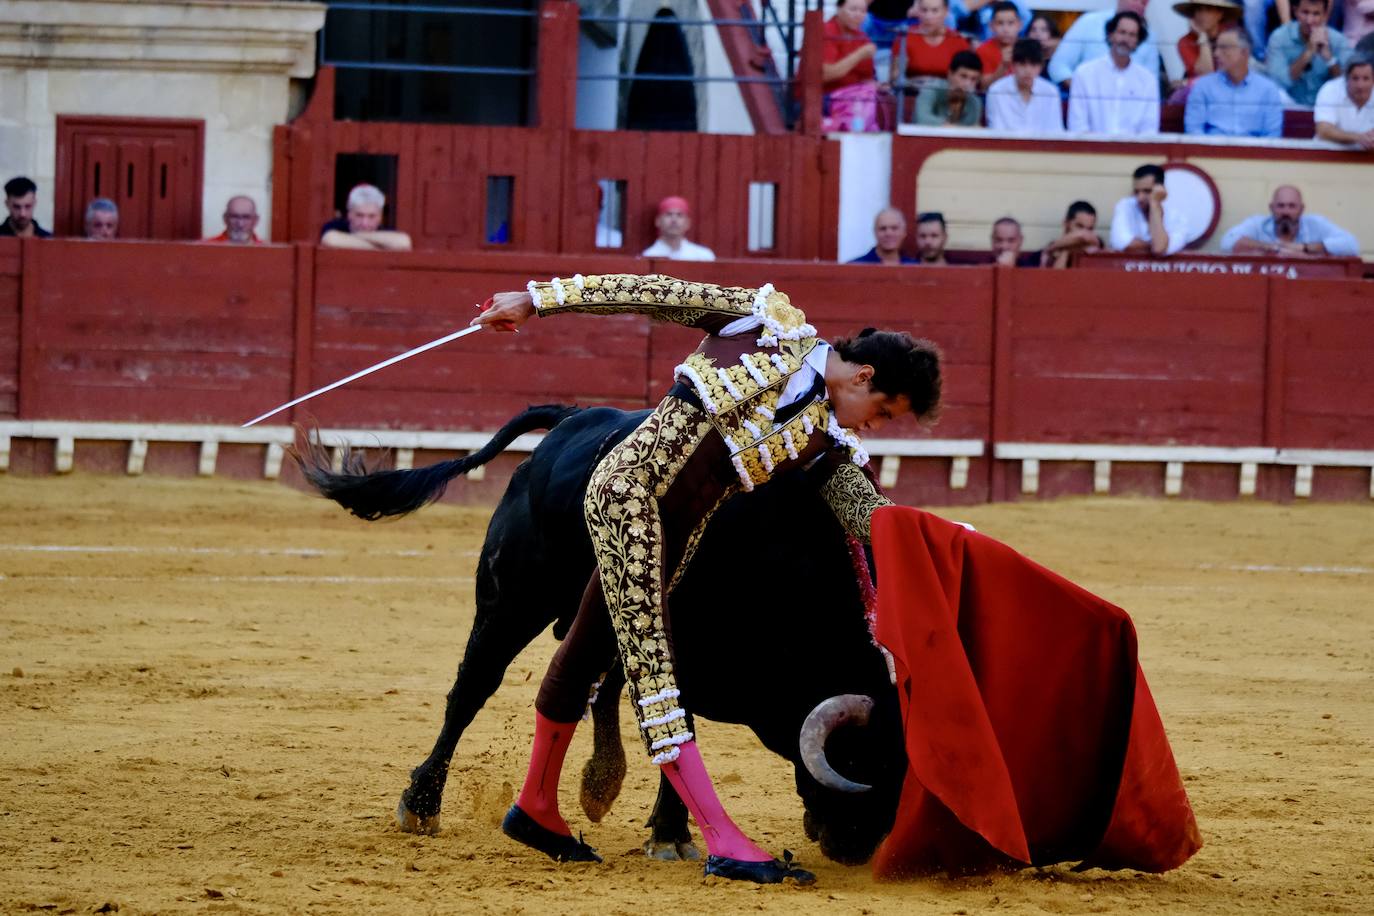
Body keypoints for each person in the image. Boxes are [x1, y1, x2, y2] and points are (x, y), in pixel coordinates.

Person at [469, 274, 943, 885]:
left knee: (585, 652)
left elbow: (872, 519)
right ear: (864, 377)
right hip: (629, 500)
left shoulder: (824, 436)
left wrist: (949, 545)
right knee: (657, 675)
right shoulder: (761, 324)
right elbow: (652, 292)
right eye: (882, 412)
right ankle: (724, 840)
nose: (874, 426)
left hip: (677, 540)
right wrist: (536, 301)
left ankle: (535, 807)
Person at [1067, 12, 1162, 135]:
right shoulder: (1084, 73)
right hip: (1090, 150)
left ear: (1138, 41)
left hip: (1134, 152)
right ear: (1111, 35)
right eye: (1122, 32)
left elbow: (1149, 128)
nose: (1126, 39)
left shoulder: (1147, 80)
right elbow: (1077, 125)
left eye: (1132, 35)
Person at [1185, 29, 1286, 134]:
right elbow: (1193, 130)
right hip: (1212, 148)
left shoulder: (1268, 89)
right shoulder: (1203, 86)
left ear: (1244, 52)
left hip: (1253, 149)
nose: (1216, 54)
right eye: (1216, 48)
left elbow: (1272, 135)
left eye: (1224, 48)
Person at [1049, 0, 1161, 88]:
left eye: (1143, 2)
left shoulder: (1150, 36)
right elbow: (1058, 66)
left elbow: (1151, 82)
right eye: (1135, 0)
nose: (1139, 5)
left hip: (1130, 109)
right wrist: (1083, 91)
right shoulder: (1089, 22)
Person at [1220, 184, 1360, 254]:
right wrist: (1271, 247)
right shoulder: (1257, 224)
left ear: (1302, 209)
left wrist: (1305, 248)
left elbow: (1352, 245)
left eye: (1292, 206)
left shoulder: (1316, 224)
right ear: (1272, 208)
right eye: (1281, 206)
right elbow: (1227, 242)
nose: (1286, 212)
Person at [1267, 0, 1353, 105]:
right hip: (1291, 103)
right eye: (1305, 12)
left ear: (1325, 15)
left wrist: (1329, 59)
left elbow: (1349, 86)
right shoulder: (1279, 37)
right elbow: (1279, 82)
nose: (1309, 20)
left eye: (1316, 14)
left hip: (1327, 107)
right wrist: (1308, 53)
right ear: (1295, 12)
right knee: (1276, 93)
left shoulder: (1338, 40)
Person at [823, 0, 882, 132]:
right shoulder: (826, 31)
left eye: (863, 11)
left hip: (855, 98)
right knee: (861, 106)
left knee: (880, 101)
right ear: (838, 9)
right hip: (825, 96)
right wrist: (859, 55)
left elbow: (866, 79)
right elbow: (827, 74)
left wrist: (877, 85)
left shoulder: (862, 37)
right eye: (853, 9)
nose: (858, 15)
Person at [986, 38, 1067, 132]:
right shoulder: (996, 91)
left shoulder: (1051, 92)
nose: (1028, 71)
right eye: (1022, 64)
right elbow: (996, 132)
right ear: (1013, 65)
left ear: (1041, 66)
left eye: (1033, 65)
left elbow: (1055, 131)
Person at [1110, 163, 1189, 255]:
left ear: (1161, 190)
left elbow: (1159, 249)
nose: (1140, 198)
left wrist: (1154, 204)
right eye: (1136, 192)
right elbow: (1121, 243)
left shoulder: (1177, 217)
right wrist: (1156, 243)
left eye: (1147, 191)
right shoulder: (1125, 205)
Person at [892, 0, 972, 81]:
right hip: (912, 91)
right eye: (924, 10)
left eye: (935, 11)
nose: (928, 16)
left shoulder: (959, 41)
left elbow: (964, 81)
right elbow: (895, 79)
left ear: (946, 12)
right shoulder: (905, 37)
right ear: (918, 11)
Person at [320, 184, 413, 251]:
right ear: (349, 214)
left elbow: (404, 243)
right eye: (359, 215)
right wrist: (380, 247)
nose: (365, 223)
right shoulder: (335, 226)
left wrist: (359, 235)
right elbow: (330, 239)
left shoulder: (385, 232)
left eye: (371, 216)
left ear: (380, 217)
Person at [1175, 0, 1246, 81]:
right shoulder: (1186, 41)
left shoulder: (1232, 36)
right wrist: (1202, 37)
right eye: (1199, 10)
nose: (1202, 15)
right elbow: (1207, 76)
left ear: (1220, 14)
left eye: (1208, 10)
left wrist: (1188, 82)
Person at [1314, 54, 1374, 147]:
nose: (1360, 86)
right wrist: (1358, 138)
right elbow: (1323, 130)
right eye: (1355, 78)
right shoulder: (1330, 89)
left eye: (1366, 79)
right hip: (1327, 155)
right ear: (1346, 79)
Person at [914, 50, 986, 125]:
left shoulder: (975, 102)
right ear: (950, 74)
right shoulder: (931, 89)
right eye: (963, 76)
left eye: (973, 79)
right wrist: (953, 129)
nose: (967, 84)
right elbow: (921, 119)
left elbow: (974, 131)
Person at [642, 196, 716, 261]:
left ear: (687, 223)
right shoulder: (648, 256)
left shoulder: (704, 256)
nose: (674, 220)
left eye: (679, 215)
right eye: (668, 214)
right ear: (658, 221)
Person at [1040, 200, 1105, 268]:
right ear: (1066, 223)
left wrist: (1051, 249)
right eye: (1080, 226)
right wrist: (1065, 251)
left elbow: (1084, 236)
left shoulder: (1098, 244)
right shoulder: (1044, 254)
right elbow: (1057, 276)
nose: (1085, 232)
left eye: (1090, 229)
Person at [976, 2, 1025, 89]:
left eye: (1011, 23)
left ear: (1020, 25)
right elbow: (984, 87)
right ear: (991, 26)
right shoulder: (983, 50)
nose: (1005, 29)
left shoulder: (1028, 49)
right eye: (1000, 23)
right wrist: (1003, 66)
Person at [850, 207, 920, 263]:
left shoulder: (915, 267)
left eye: (894, 228)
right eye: (883, 228)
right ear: (875, 232)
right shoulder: (855, 266)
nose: (888, 233)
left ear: (904, 232)